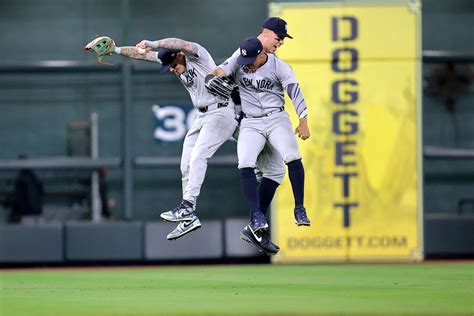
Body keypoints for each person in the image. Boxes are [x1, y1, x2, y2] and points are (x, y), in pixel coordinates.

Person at [85, 36, 238, 240]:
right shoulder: (173, 58)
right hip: (202, 115)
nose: (172, 69)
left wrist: (156, 43)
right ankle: (189, 218)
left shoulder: (196, 56)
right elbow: (143, 56)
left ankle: (187, 206)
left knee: (199, 155)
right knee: (186, 165)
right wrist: (118, 49)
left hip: (221, 111)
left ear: (180, 56)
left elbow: (181, 43)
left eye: (173, 65)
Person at [208, 35, 311, 254]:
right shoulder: (241, 60)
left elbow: (294, 91)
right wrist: (213, 76)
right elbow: (221, 71)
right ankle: (256, 216)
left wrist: (303, 120)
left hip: (276, 118)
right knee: (245, 162)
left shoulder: (279, 67)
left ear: (262, 54)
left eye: (251, 61)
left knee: (291, 156)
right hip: (251, 121)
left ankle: (299, 208)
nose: (247, 66)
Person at [6, 155, 44, 224]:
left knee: (10, 220)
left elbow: (19, 199)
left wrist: (10, 202)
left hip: (26, 213)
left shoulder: (21, 180)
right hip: (37, 213)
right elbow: (41, 193)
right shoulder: (35, 178)